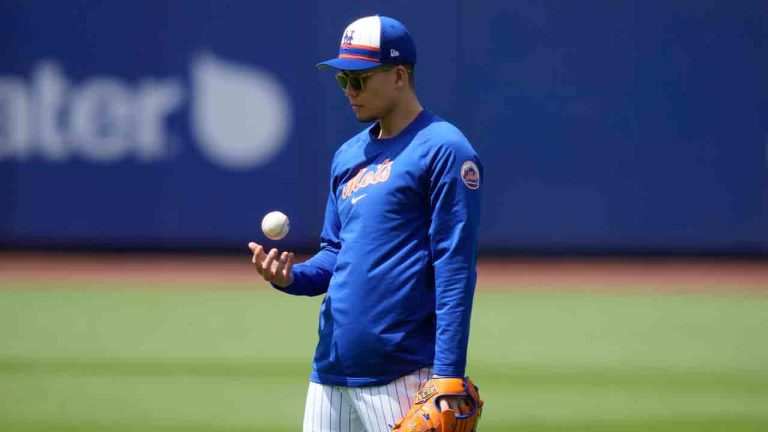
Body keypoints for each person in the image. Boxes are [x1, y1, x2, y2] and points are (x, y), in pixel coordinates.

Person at [248, 15, 483, 432]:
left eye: (359, 79)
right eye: (343, 80)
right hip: (331, 369)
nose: (349, 91)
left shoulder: (444, 149)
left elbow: (454, 266)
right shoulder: (348, 156)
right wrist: (291, 278)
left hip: (403, 371)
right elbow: (336, 252)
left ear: (398, 75)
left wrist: (448, 372)